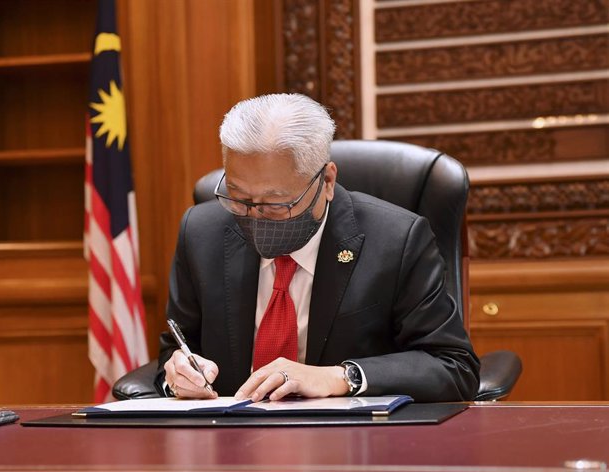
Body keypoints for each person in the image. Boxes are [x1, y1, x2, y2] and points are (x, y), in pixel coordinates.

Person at [155, 93, 479, 402]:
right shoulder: (201, 233)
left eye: (276, 203)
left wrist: (340, 377)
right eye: (239, 197)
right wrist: (178, 375)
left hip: (353, 447)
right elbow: (176, 348)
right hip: (229, 445)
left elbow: (454, 367)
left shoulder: (397, 240)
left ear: (326, 182)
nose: (254, 216)